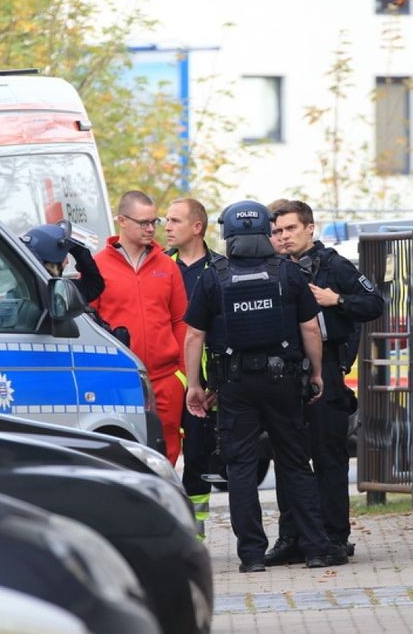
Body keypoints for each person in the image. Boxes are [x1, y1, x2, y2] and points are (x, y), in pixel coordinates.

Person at [183, 200, 348, 572]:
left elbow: (194, 334)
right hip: (284, 382)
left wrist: (195, 384)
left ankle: (252, 556)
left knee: (241, 468)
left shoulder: (214, 276)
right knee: (294, 462)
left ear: (227, 233)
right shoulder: (286, 274)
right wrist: (316, 373)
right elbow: (310, 328)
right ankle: (317, 548)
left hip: (235, 385)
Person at [264, 200, 384, 566]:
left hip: (327, 370)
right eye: (277, 232)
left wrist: (337, 299)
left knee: (328, 457)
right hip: (284, 372)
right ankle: (292, 537)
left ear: (309, 228)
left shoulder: (332, 264)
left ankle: (334, 537)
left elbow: (373, 303)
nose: (283, 238)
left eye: (290, 230)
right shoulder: (271, 269)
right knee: (288, 460)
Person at [92, 191, 188, 464]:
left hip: (165, 377)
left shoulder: (167, 267)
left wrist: (181, 374)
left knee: (168, 448)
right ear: (122, 221)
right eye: (143, 222)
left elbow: (180, 320)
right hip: (118, 379)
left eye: (153, 221)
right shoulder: (98, 266)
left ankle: (166, 502)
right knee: (123, 449)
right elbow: (90, 321)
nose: (151, 229)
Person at [164, 197, 224, 539]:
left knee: (199, 456)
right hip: (166, 376)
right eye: (166, 220)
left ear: (197, 227)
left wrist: (214, 379)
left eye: (175, 220)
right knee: (163, 453)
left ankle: (196, 533)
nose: (167, 227)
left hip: (204, 381)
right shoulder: (161, 266)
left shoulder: (219, 269)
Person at [20, 220, 106, 302]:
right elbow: (93, 286)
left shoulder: (24, 291)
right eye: (64, 256)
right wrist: (79, 252)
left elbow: (93, 286)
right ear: (53, 262)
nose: (67, 262)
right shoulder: (56, 292)